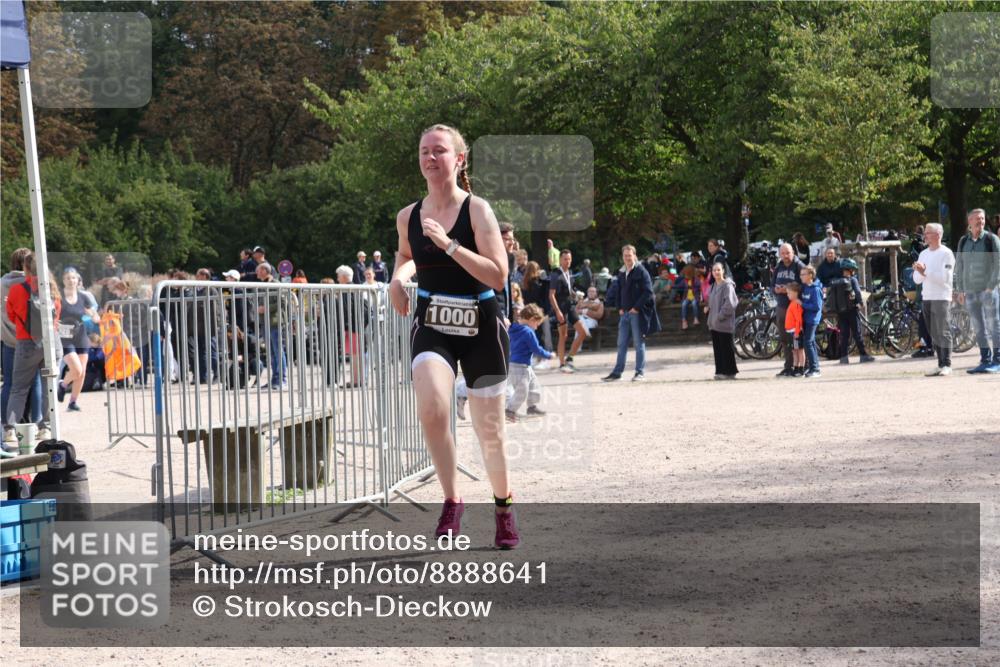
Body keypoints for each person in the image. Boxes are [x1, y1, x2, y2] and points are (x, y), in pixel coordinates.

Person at [387, 123, 518, 549]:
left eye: (439, 151)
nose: (430, 157)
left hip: (480, 321)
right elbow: (407, 256)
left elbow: (498, 276)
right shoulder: (408, 216)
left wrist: (450, 247)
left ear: (459, 159)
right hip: (433, 322)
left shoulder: (477, 210)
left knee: (490, 431)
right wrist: (396, 279)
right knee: (432, 407)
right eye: (424, 150)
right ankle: (452, 500)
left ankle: (502, 506)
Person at [3, 254, 60, 447]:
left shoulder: (17, 289)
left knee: (18, 388)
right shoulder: (52, 288)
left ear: (25, 269)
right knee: (47, 387)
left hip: (26, 343)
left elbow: (11, 314)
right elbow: (57, 315)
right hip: (50, 342)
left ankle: (10, 429)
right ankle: (45, 427)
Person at [2, 248, 43, 440]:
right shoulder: (38, 283)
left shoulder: (2, 283)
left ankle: (7, 426)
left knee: (11, 385)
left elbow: (8, 312)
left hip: (10, 340)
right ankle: (39, 424)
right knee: (35, 383)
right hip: (32, 339)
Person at [603, 244, 659, 382]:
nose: (627, 258)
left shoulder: (642, 271)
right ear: (622, 257)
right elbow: (618, 292)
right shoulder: (622, 273)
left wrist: (636, 308)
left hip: (636, 313)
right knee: (621, 344)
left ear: (635, 255)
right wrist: (619, 308)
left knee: (638, 344)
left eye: (630, 255)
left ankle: (640, 373)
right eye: (625, 255)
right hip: (625, 314)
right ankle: (617, 373)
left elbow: (648, 292)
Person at [954, 208, 1000, 373]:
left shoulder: (991, 239)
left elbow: (998, 264)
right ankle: (985, 360)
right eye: (976, 219)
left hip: (989, 291)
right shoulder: (963, 242)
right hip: (970, 292)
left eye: (982, 218)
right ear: (969, 222)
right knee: (978, 327)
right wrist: (959, 290)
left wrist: (990, 286)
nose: (980, 221)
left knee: (994, 325)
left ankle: (997, 360)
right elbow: (959, 266)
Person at [912, 223, 955, 376]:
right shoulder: (923, 254)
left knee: (943, 330)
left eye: (928, 233)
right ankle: (940, 363)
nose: (925, 235)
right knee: (933, 332)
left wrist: (925, 271)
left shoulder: (946, 253)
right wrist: (920, 272)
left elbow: (945, 278)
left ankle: (947, 364)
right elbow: (917, 279)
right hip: (927, 296)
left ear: (938, 235)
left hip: (942, 297)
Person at [55, 268, 99, 410]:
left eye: (73, 278)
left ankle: (72, 402)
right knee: (77, 369)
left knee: (82, 372)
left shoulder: (83, 297)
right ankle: (63, 384)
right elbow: (51, 315)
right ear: (63, 280)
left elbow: (93, 314)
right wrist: (56, 323)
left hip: (81, 336)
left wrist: (94, 316)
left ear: (78, 280)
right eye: (68, 278)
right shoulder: (58, 297)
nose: (71, 280)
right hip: (65, 337)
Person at [505, 304, 552, 422]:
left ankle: (532, 407)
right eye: (536, 324)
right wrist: (548, 355)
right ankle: (510, 410)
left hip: (520, 365)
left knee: (534, 385)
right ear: (531, 320)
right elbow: (536, 349)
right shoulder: (528, 332)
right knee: (522, 391)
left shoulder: (513, 328)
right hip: (520, 366)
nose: (536, 328)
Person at [830, 259, 875, 364]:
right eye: (853, 269)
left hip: (840, 312)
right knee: (857, 333)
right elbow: (858, 292)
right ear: (850, 270)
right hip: (852, 310)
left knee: (844, 335)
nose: (854, 271)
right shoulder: (852, 280)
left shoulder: (836, 281)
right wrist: (861, 303)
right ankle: (863, 355)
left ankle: (844, 357)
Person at [549, 249, 587, 373]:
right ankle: (561, 364)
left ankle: (569, 359)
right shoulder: (555, 274)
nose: (568, 261)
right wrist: (558, 311)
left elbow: (569, 291)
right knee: (563, 336)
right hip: (560, 308)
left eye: (569, 259)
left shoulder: (569, 273)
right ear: (560, 260)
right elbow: (551, 295)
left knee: (582, 332)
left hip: (570, 306)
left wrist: (576, 296)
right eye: (565, 259)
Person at [772, 243, 807, 376]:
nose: (785, 256)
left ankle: (803, 366)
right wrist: (776, 291)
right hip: (782, 306)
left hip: (796, 308)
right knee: (785, 339)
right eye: (783, 253)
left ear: (793, 252)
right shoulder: (778, 267)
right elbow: (772, 284)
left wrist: (791, 291)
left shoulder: (799, 266)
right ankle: (788, 366)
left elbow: (807, 283)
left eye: (788, 253)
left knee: (799, 339)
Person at [707, 262, 739, 379]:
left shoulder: (727, 285)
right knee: (718, 349)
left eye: (718, 270)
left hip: (724, 323)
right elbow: (712, 302)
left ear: (723, 271)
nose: (716, 272)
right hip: (714, 324)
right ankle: (720, 371)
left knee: (726, 349)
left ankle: (730, 372)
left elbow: (730, 304)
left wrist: (720, 316)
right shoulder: (714, 285)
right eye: (714, 270)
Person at [799, 265, 824, 378]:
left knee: (808, 342)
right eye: (801, 274)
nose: (801, 276)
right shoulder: (805, 287)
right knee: (811, 342)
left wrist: (802, 304)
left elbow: (817, 306)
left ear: (810, 275)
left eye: (803, 274)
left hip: (812, 319)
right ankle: (814, 366)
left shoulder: (815, 289)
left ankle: (815, 369)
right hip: (806, 318)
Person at [784, 282, 805, 377]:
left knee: (800, 350)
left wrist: (797, 332)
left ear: (795, 292)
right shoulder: (792, 303)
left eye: (789, 293)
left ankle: (801, 369)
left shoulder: (796, 304)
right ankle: (796, 367)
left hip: (795, 332)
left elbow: (799, 320)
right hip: (791, 331)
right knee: (794, 351)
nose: (787, 295)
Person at [677, 264, 700, 329]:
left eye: (686, 274)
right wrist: (672, 286)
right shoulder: (684, 280)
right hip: (687, 297)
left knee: (694, 303)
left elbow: (699, 285)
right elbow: (679, 285)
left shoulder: (696, 280)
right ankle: (684, 320)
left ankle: (696, 318)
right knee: (683, 304)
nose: (685, 276)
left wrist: (694, 287)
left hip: (694, 297)